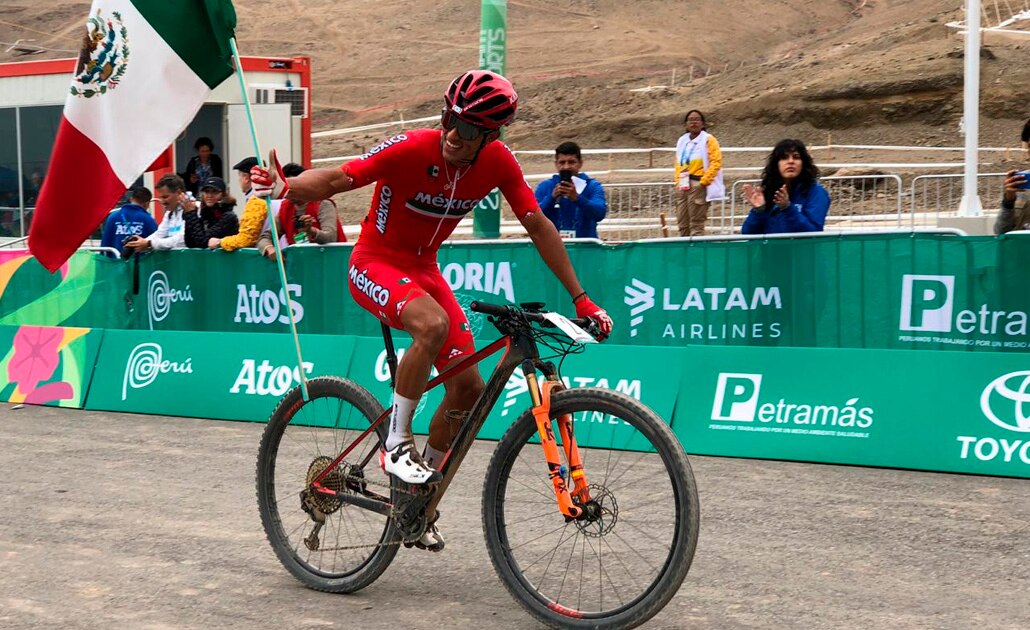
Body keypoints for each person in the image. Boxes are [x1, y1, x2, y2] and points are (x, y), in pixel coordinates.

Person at [260, 70, 612, 552]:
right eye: (449, 118)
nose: (452, 133)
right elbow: (342, 178)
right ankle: (396, 444)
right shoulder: (411, 147)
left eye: (466, 129)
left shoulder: (498, 162)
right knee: (432, 323)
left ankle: (416, 501)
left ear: (490, 136)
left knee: (468, 388)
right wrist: (290, 186)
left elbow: (538, 225)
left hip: (424, 270)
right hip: (373, 262)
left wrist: (581, 298)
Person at [741, 139, 830, 235]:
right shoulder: (770, 192)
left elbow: (814, 232)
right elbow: (747, 233)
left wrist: (788, 208)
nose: (791, 161)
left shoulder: (816, 193)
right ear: (776, 164)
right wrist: (758, 211)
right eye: (784, 157)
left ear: (803, 163)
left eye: (796, 157)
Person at [257, 163, 343, 259]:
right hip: (302, 263)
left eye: (292, 187)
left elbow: (331, 237)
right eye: (286, 189)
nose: (289, 193)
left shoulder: (323, 203)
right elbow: (265, 238)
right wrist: (269, 249)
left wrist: (311, 231)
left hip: (331, 261)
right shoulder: (285, 208)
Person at [534, 141, 607, 239]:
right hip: (552, 245)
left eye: (571, 162)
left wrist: (578, 199)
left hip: (585, 246)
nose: (566, 167)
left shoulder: (592, 186)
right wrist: (551, 198)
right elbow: (534, 218)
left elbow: (599, 214)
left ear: (580, 163)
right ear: (556, 164)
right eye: (562, 162)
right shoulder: (545, 186)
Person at [674, 110, 724, 236]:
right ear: (686, 124)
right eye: (691, 120)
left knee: (696, 224)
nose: (694, 122)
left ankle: (697, 248)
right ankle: (684, 247)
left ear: (702, 123)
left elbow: (716, 162)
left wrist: (703, 182)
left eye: (697, 119)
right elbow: (678, 163)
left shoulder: (708, 140)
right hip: (683, 184)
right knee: (682, 223)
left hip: (698, 183)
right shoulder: (682, 141)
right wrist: (677, 182)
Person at [123, 174, 191, 253]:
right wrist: (139, 243)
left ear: (179, 193)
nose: (162, 201)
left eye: (165, 197)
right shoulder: (170, 213)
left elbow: (182, 239)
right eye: (160, 197)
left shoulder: (194, 209)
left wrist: (149, 243)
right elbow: (159, 234)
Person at [100, 186, 158, 258]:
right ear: (147, 204)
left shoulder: (113, 217)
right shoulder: (148, 220)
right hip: (139, 263)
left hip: (115, 262)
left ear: (131, 199)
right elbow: (155, 245)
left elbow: (105, 244)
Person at [184, 177, 239, 248]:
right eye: (207, 192)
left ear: (223, 194)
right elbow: (190, 243)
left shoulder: (229, 217)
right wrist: (188, 215)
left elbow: (203, 242)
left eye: (214, 192)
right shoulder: (204, 214)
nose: (209, 196)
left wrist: (191, 214)